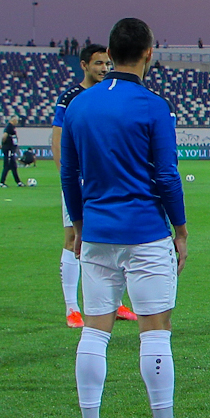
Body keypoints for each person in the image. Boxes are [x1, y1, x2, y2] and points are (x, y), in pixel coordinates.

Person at [60, 16, 207, 418]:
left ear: (110, 50)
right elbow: (165, 174)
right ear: (148, 52)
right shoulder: (152, 105)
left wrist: (80, 226)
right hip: (145, 233)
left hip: (98, 233)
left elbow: (70, 174)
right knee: (156, 330)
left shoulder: (79, 105)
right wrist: (180, 230)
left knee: (95, 329)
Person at [52, 43, 133, 327]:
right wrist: (70, 180)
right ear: (84, 65)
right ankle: (72, 308)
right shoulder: (71, 98)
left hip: (107, 182)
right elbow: (58, 142)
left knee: (116, 238)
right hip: (79, 182)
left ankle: (116, 303)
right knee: (74, 239)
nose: (104, 69)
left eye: (107, 64)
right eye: (98, 64)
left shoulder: (110, 93)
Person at [0, 119, 22, 187]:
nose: (17, 122)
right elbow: (4, 136)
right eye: (16, 121)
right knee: (7, 166)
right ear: (13, 121)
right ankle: (2, 183)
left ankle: (18, 182)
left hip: (11, 150)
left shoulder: (11, 128)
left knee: (13, 166)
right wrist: (3, 145)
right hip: (8, 150)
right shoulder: (9, 127)